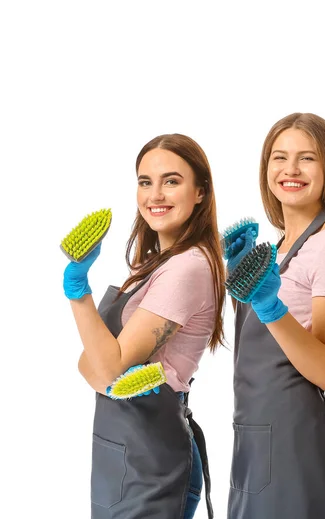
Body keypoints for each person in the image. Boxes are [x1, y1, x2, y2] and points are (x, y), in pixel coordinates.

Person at [63, 133, 225, 519]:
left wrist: (79, 293)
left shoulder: (187, 267)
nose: (156, 195)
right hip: (119, 453)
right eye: (145, 181)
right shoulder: (152, 264)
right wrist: (108, 374)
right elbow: (89, 365)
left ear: (200, 192)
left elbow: (105, 366)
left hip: (153, 457)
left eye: (171, 181)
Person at [225, 113, 325, 519]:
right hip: (252, 438)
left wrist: (270, 307)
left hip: (292, 442)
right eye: (279, 157)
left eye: (307, 159)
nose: (291, 170)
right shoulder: (278, 249)